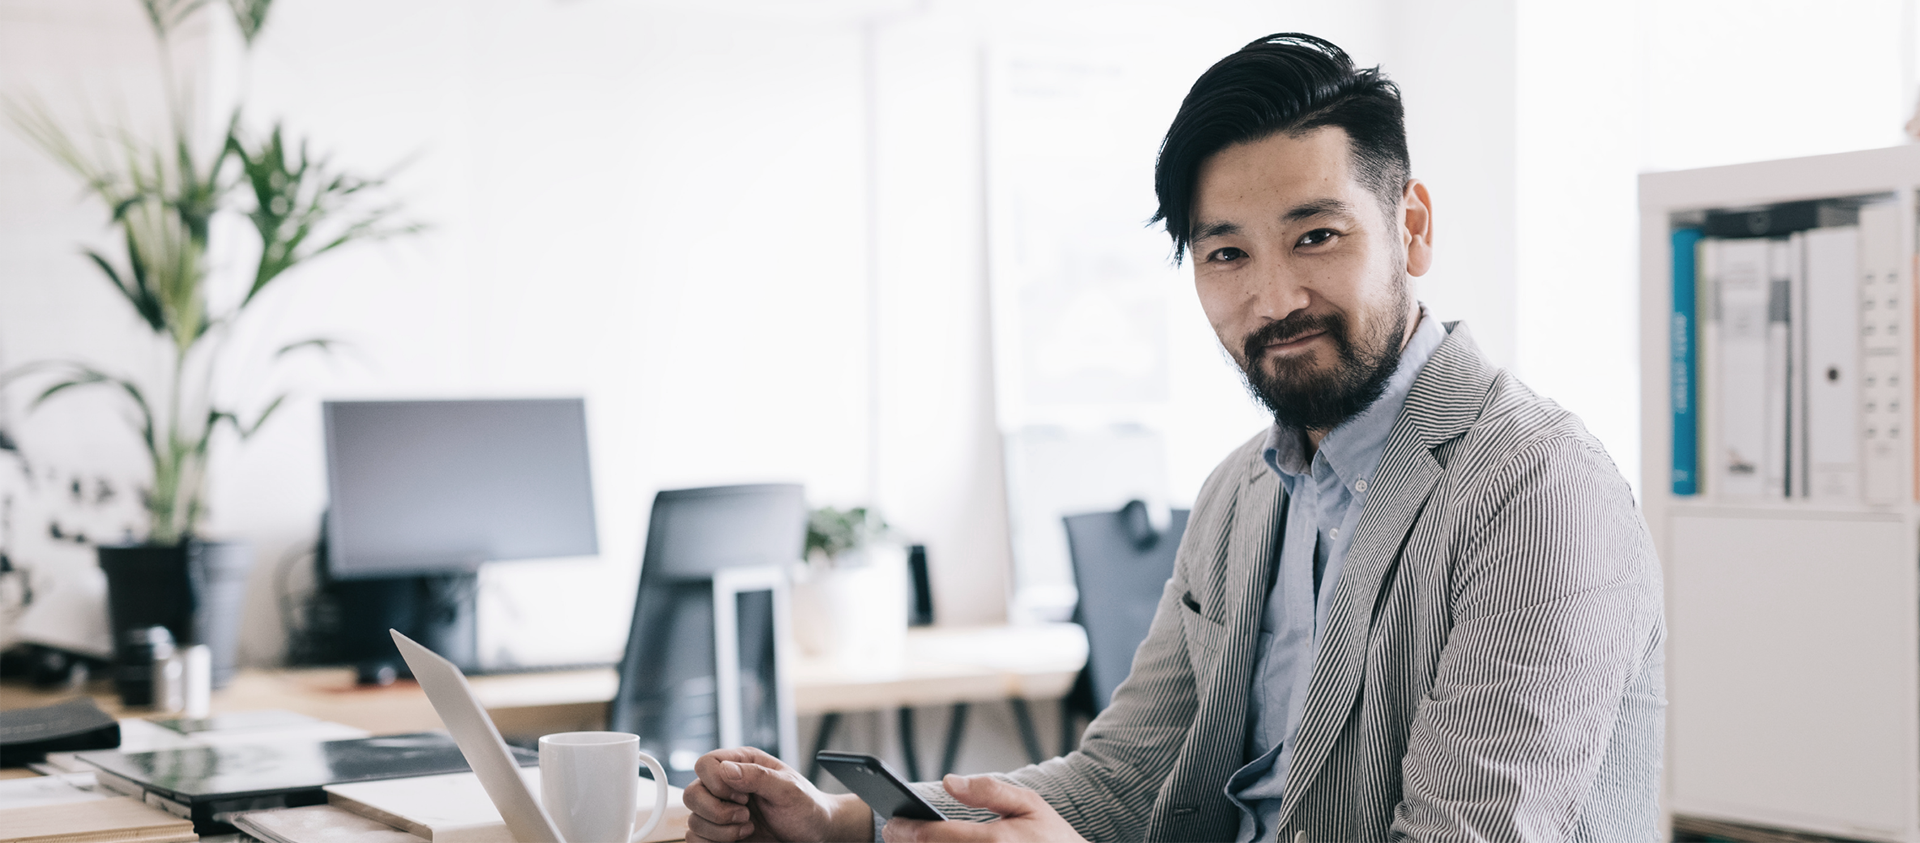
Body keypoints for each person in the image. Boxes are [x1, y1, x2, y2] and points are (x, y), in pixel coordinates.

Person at [685, 32, 1664, 843]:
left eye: (1316, 236)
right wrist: (841, 824)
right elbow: (1125, 776)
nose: (1273, 298)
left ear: (1410, 227)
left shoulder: (1537, 491)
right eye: (1226, 253)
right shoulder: (1245, 491)